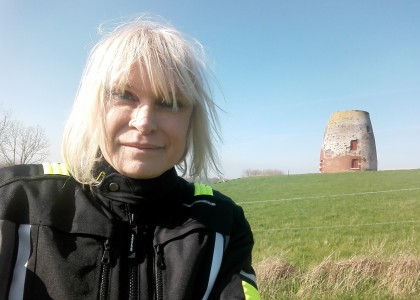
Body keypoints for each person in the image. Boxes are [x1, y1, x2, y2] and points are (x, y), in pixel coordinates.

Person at [0, 18, 260, 300]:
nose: (144, 122)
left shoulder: (221, 223)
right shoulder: (14, 201)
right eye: (123, 95)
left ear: (191, 120)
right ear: (92, 105)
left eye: (169, 102)